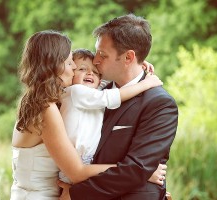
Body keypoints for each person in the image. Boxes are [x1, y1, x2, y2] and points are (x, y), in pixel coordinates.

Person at [10, 30, 166, 200]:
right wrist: (139, 173)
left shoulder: (40, 100)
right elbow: (77, 172)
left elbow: (100, 83)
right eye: (70, 63)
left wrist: (133, 65)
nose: (75, 68)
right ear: (54, 65)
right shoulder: (46, 109)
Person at [58, 14, 178, 200]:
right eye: (97, 52)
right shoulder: (94, 94)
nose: (95, 60)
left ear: (129, 57)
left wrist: (76, 194)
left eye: (103, 55)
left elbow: (136, 169)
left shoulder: (159, 104)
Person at [59, 48, 163, 183]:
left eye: (95, 72)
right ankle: (144, 174)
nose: (90, 73)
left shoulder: (93, 93)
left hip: (88, 163)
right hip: (73, 164)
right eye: (82, 69)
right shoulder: (75, 92)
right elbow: (113, 96)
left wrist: (135, 65)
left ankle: (143, 174)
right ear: (71, 72)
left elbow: (109, 78)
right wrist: (146, 83)